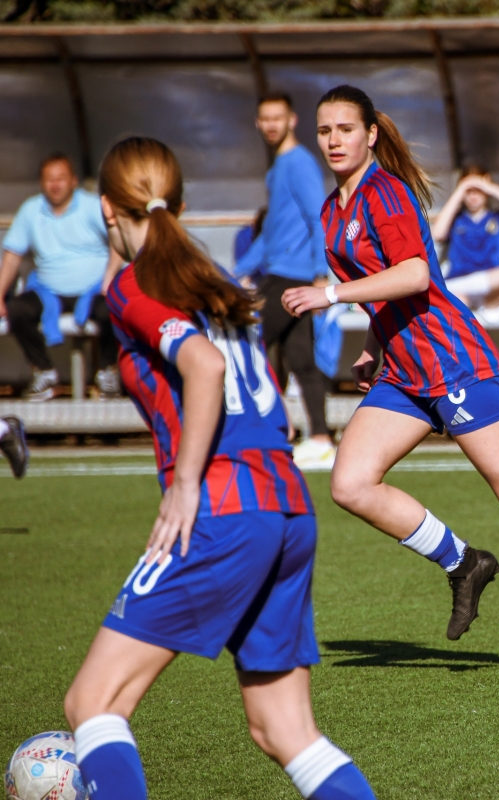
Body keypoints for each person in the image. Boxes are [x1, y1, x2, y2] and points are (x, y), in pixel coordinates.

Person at [280, 85, 499, 673]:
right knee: (350, 483)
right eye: (324, 131)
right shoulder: (332, 208)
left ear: (371, 133)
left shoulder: (386, 192)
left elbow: (417, 274)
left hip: (451, 362)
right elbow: (386, 287)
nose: (333, 141)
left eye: (345, 129)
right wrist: (375, 345)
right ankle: (464, 563)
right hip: (404, 372)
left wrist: (331, 294)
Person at [63, 137, 376, 800]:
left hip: (224, 509)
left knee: (93, 703)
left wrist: (182, 487)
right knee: (283, 731)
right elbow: (269, 407)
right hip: (288, 508)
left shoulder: (135, 285)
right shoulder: (209, 281)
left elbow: (203, 367)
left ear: (104, 208)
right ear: (179, 202)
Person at [235, 93, 335, 470]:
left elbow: (317, 217)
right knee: (301, 361)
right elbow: (270, 235)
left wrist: (320, 273)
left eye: (278, 117)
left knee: (245, 342)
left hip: (293, 278)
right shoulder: (277, 168)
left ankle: (273, 430)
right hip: (279, 272)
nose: (272, 125)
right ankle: (322, 439)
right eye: (266, 119)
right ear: (258, 124)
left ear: (292, 120)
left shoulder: (299, 163)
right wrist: (234, 270)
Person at [0, 154, 124, 400]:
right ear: (41, 183)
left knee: (113, 308)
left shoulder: (92, 206)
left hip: (94, 288)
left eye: (61, 179)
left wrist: (109, 279)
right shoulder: (31, 210)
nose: (55, 184)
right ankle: (45, 373)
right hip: (49, 291)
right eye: (49, 179)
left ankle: (107, 372)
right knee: (17, 310)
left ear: (74, 181)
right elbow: (13, 255)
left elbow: (118, 240)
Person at [430, 166, 499, 328]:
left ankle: (475, 304)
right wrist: (460, 190)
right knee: (457, 302)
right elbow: (437, 234)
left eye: (477, 190)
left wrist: (488, 187)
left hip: (491, 296)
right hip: (459, 287)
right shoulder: (456, 220)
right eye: (468, 191)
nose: (473, 195)